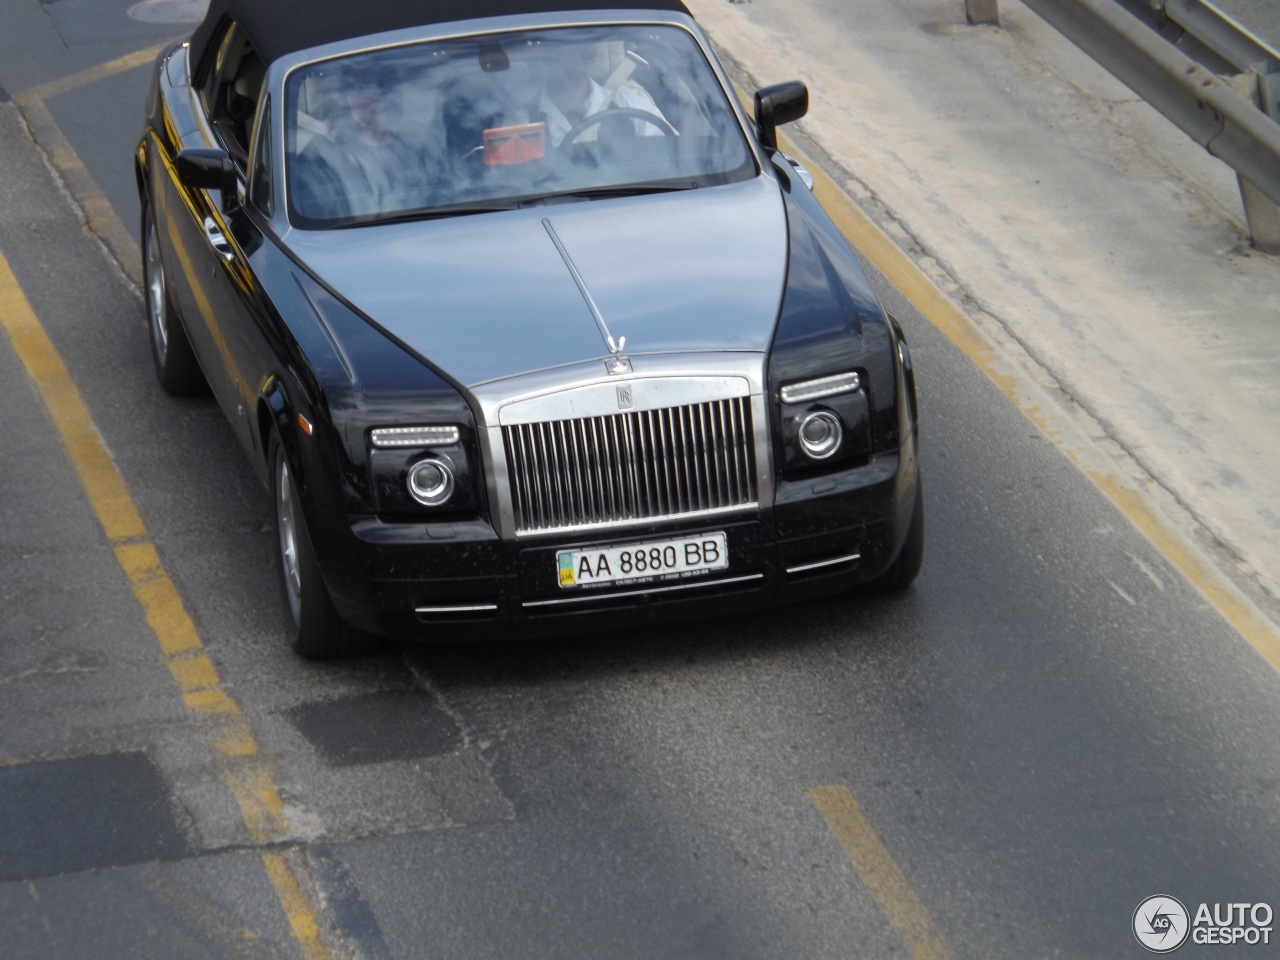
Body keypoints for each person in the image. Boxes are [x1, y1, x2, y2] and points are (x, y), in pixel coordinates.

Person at [535, 42, 671, 147]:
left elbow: (673, 155)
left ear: (595, 57)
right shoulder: (524, 118)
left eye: (587, 56)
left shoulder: (628, 104)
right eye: (566, 56)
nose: (577, 67)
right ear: (545, 57)